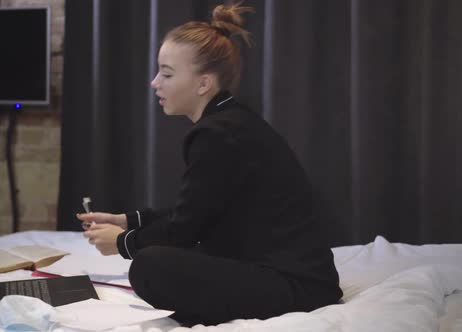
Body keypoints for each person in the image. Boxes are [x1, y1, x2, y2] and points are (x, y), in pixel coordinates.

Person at [77, 2, 343, 326]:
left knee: (148, 266)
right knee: (172, 256)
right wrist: (125, 220)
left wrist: (122, 243)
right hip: (301, 278)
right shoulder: (230, 122)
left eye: (167, 73)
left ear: (203, 84)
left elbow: (184, 231)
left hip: (297, 286)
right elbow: (196, 212)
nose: (154, 82)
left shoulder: (218, 134)